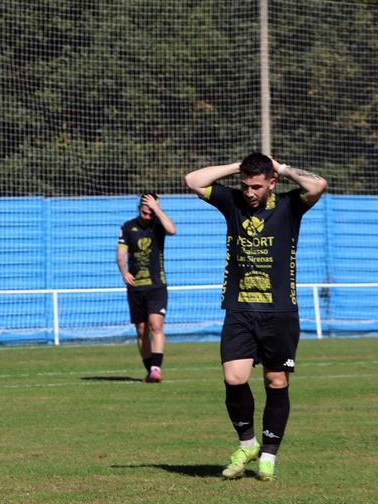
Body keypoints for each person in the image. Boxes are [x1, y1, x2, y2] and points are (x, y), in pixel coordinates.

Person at [184, 152, 327, 482]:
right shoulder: (231, 202)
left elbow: (318, 184)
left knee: (276, 382)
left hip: (280, 314)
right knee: (234, 378)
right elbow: (193, 180)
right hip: (239, 310)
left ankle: (269, 455)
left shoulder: (291, 205)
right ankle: (247, 444)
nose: (249, 192)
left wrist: (280, 167)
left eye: (257, 186)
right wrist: (240, 166)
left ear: (272, 183)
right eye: (245, 185)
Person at [117, 193, 177, 382]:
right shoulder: (128, 227)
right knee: (142, 330)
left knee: (156, 325)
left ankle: (156, 369)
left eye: (152, 208)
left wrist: (158, 209)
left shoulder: (158, 225)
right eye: (146, 207)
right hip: (135, 288)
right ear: (140, 207)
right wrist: (124, 271)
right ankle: (149, 370)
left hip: (156, 285)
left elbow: (172, 230)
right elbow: (120, 255)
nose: (148, 212)